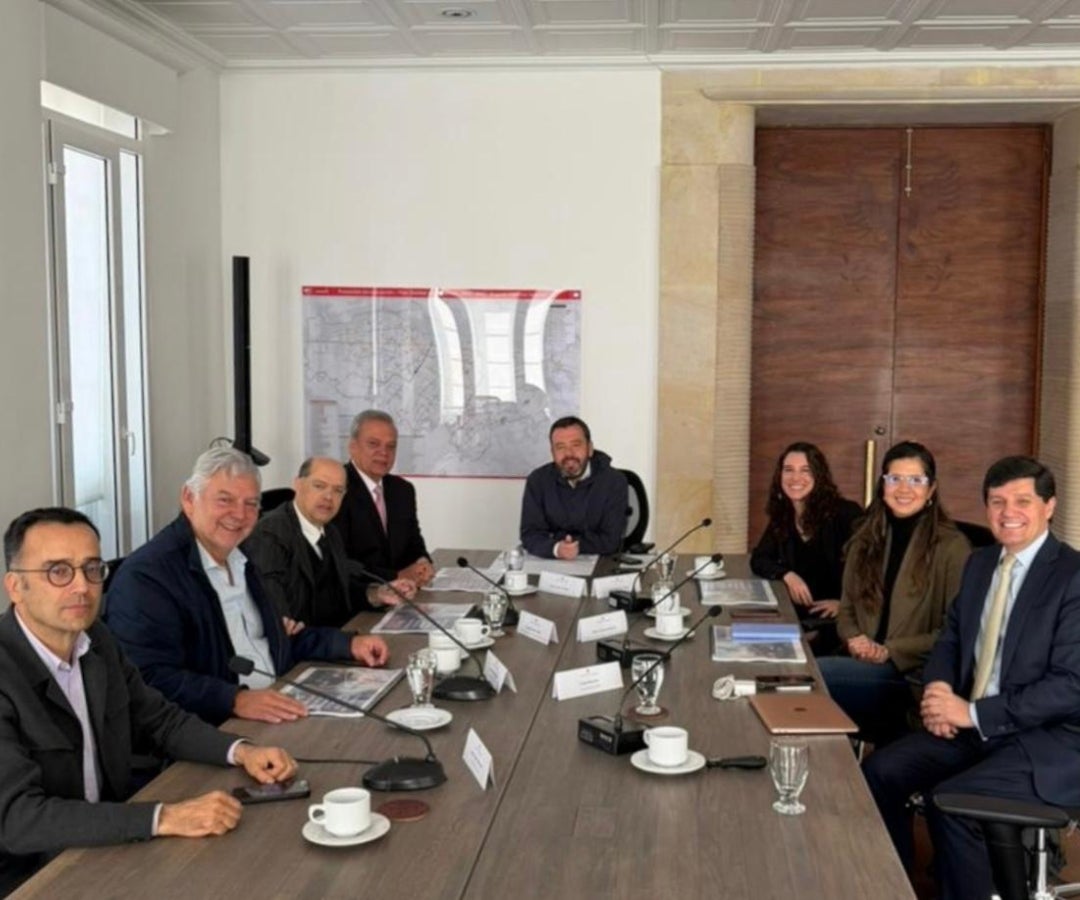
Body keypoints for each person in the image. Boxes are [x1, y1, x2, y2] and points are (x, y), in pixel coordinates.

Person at [0, 507, 299, 895]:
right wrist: (163, 817)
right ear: (15, 586)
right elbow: (20, 819)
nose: (82, 587)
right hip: (32, 877)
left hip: (106, 847)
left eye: (93, 569)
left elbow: (160, 720)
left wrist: (241, 751)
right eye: (59, 571)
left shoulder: (97, 641)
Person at [862, 456, 1080, 900]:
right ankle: (894, 886)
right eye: (997, 501)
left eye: (1022, 501)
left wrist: (972, 712)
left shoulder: (1072, 576)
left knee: (952, 801)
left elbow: (1071, 685)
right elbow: (951, 639)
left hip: (1046, 740)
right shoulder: (980, 563)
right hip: (974, 726)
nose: (1008, 512)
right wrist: (939, 692)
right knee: (880, 771)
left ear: (1049, 507)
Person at [104, 447, 389, 727]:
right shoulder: (148, 576)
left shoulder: (241, 557)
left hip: (279, 701)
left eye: (251, 504)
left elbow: (275, 639)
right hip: (214, 728)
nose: (239, 515)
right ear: (189, 498)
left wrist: (348, 643)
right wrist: (234, 699)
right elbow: (147, 678)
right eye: (225, 500)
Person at [818, 440, 970, 745]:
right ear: (883, 484)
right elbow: (846, 608)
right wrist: (855, 640)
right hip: (860, 660)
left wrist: (890, 650)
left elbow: (953, 632)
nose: (904, 488)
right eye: (895, 478)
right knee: (791, 680)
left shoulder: (952, 547)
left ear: (931, 489)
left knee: (814, 679)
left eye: (916, 480)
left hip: (910, 675)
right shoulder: (866, 536)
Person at [243, 457, 415, 625]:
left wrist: (377, 593)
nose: (328, 497)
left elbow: (338, 593)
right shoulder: (269, 537)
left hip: (332, 639)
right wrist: (347, 644)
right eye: (319, 486)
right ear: (298, 484)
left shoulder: (329, 531)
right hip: (303, 650)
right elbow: (282, 624)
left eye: (337, 490)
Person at [749, 441, 863, 651]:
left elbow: (873, 571)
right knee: (742, 635)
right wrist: (788, 575)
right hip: (799, 615)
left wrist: (845, 605)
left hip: (834, 624)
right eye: (788, 470)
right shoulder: (784, 514)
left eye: (805, 471)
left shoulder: (845, 514)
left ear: (819, 477)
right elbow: (759, 559)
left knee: (760, 643)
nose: (795, 478)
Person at [332, 410, 434, 588]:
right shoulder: (337, 489)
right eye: (373, 444)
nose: (384, 453)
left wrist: (422, 562)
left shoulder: (403, 490)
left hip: (403, 594)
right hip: (359, 600)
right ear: (353, 446)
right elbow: (340, 561)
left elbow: (414, 542)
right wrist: (395, 576)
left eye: (391, 446)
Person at [519, 416, 628, 559]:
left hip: (600, 564)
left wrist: (563, 542)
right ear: (552, 452)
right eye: (560, 447)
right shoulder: (538, 480)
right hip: (551, 562)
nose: (569, 454)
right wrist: (557, 549)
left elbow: (610, 540)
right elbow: (530, 534)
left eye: (576, 445)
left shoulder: (614, 482)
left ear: (590, 449)